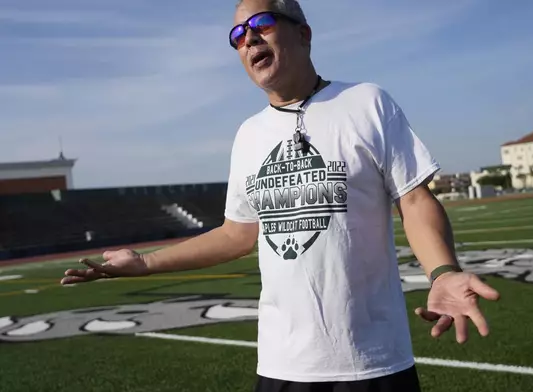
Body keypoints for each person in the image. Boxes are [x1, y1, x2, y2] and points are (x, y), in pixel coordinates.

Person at [61, 0, 500, 390]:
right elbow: (237, 235)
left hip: (373, 363)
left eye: (262, 23)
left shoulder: (367, 102)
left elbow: (415, 199)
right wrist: (145, 263)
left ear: (304, 34)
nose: (248, 38)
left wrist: (442, 272)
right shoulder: (248, 135)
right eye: (237, 36)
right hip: (283, 365)